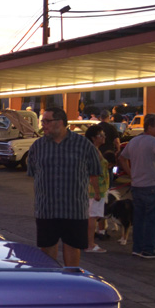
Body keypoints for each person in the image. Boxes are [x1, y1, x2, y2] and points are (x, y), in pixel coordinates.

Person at [26, 107, 103, 267]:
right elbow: (33, 172)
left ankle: (71, 279)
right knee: (47, 249)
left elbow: (95, 172)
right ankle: (50, 279)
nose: (43, 125)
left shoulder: (83, 145)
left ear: (60, 122)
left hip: (74, 209)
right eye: (43, 121)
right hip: (47, 209)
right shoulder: (37, 146)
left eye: (47, 121)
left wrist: (97, 192)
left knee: (72, 247)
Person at [119, 114, 155, 259]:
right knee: (152, 219)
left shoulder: (134, 141)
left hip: (137, 186)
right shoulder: (154, 141)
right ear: (149, 127)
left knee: (139, 219)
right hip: (152, 185)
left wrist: (131, 173)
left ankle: (137, 248)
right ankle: (148, 249)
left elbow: (122, 158)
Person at [84, 125, 109, 253]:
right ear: (93, 138)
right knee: (92, 216)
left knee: (92, 216)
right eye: (101, 135)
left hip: (97, 187)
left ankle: (88, 242)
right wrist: (97, 192)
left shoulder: (93, 150)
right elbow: (93, 173)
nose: (103, 137)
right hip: (94, 189)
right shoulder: (93, 151)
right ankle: (90, 244)